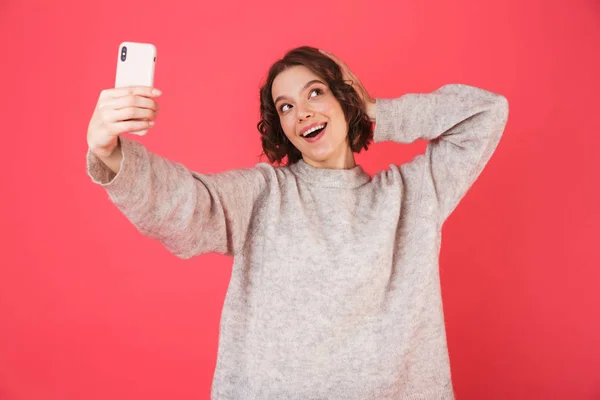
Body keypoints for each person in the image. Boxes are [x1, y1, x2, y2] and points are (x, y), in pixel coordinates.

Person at [86, 45, 509, 399]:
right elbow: (191, 204)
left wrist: (375, 110)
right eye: (286, 106)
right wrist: (109, 151)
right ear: (281, 127)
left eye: (316, 93)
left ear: (345, 98)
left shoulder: (412, 196)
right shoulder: (265, 194)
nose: (302, 112)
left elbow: (486, 113)